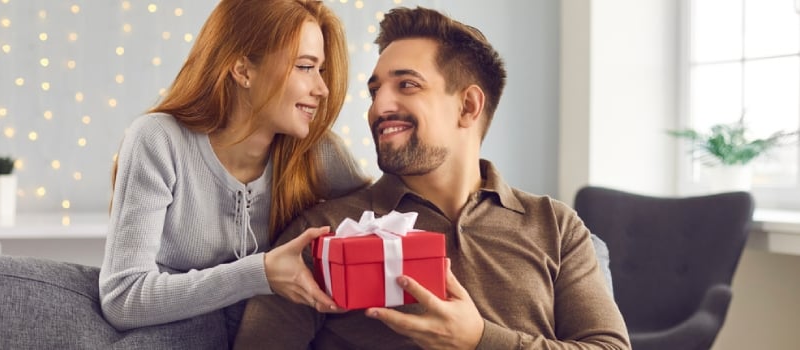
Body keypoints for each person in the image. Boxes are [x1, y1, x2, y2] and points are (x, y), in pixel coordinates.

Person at [233, 6, 630, 350]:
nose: (378, 107)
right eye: (375, 92)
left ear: (468, 106)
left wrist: (480, 341)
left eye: (407, 85)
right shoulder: (324, 232)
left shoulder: (555, 226)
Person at [98, 0, 370, 335]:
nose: (322, 89)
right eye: (304, 67)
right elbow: (123, 298)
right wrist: (260, 273)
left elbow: (381, 215)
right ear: (242, 70)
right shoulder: (158, 140)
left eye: (321, 70)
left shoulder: (319, 153)